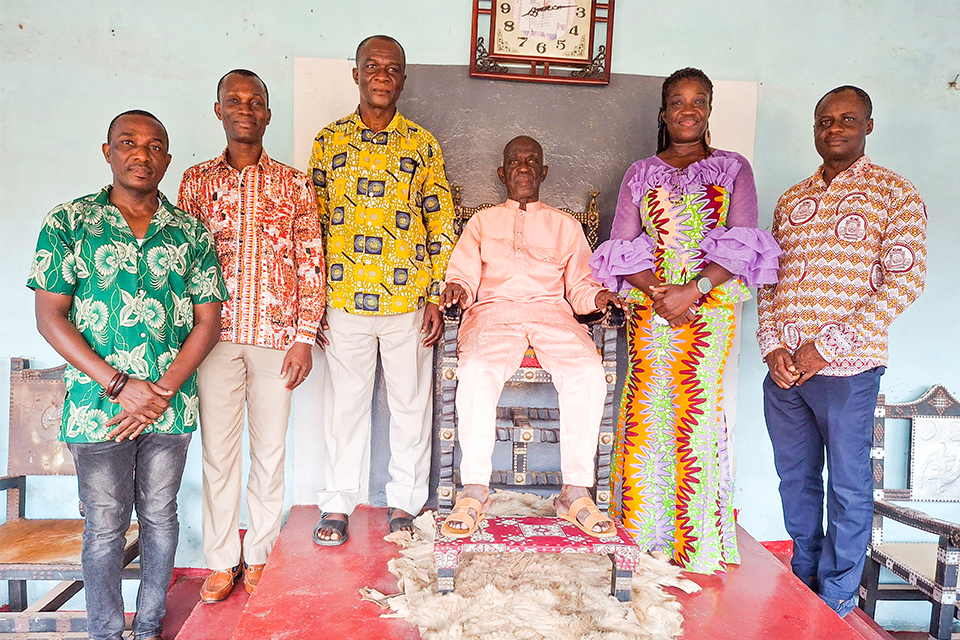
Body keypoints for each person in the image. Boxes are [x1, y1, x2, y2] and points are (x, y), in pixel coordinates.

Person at [27, 111, 227, 640]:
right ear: (107, 151)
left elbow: (209, 320)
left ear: (166, 158)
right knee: (105, 529)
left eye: (154, 145)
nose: (141, 154)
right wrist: (120, 386)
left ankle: (150, 628)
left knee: (160, 520)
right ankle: (106, 633)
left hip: (169, 407)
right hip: (99, 410)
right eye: (128, 143)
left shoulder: (189, 232)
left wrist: (159, 393)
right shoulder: (69, 223)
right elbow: (50, 317)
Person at [590, 68, 781, 573]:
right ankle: (641, 539)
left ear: (710, 109)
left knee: (692, 415)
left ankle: (693, 542)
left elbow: (743, 243)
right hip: (651, 312)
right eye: (678, 101)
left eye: (698, 101)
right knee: (645, 415)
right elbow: (621, 249)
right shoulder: (641, 172)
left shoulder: (733, 168)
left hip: (709, 309)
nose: (688, 109)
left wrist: (693, 291)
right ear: (664, 112)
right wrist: (659, 293)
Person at [758, 85, 926, 617]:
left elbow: (903, 283)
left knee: (850, 488)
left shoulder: (895, 194)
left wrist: (825, 349)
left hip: (848, 370)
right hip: (785, 373)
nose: (834, 129)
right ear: (815, 129)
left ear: (868, 126)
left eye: (847, 120)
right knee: (796, 481)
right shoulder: (791, 200)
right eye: (825, 121)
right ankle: (803, 581)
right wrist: (772, 350)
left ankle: (833, 599)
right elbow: (767, 281)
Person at [178, 70, 325, 600]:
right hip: (212, 340)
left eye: (256, 102)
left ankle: (259, 553)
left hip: (275, 337)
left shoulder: (293, 183)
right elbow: (183, 263)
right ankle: (221, 560)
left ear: (267, 114)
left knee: (269, 453)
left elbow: (311, 260)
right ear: (218, 110)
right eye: (234, 101)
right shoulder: (196, 181)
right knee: (219, 453)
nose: (246, 109)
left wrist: (304, 335)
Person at [308, 35, 456, 544]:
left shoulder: (422, 143)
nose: (382, 75)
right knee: (343, 408)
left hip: (407, 300)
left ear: (402, 80)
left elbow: (441, 224)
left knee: (411, 405)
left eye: (392, 68)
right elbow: (315, 227)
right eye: (372, 66)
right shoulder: (328, 142)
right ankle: (336, 504)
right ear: (356, 74)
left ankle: (405, 503)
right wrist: (314, 306)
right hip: (344, 300)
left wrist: (436, 295)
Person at [438, 136, 623, 538]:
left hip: (551, 314)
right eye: (514, 162)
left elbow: (580, 287)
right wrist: (457, 289)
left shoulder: (566, 226)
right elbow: (463, 275)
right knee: (476, 369)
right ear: (503, 174)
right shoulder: (483, 222)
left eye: (532, 161)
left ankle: (574, 492)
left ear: (543, 173)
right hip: (493, 313)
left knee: (587, 369)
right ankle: (474, 489)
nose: (523, 167)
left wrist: (601, 296)